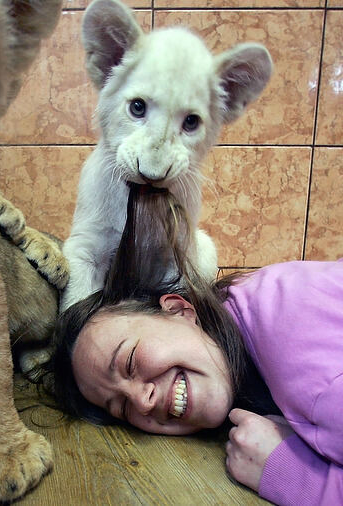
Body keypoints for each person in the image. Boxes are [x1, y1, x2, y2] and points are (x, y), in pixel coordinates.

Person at [52, 185, 343, 506]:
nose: (142, 401)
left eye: (130, 362)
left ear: (178, 310)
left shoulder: (306, 365)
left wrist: (294, 476)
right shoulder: (244, 308)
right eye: (122, 408)